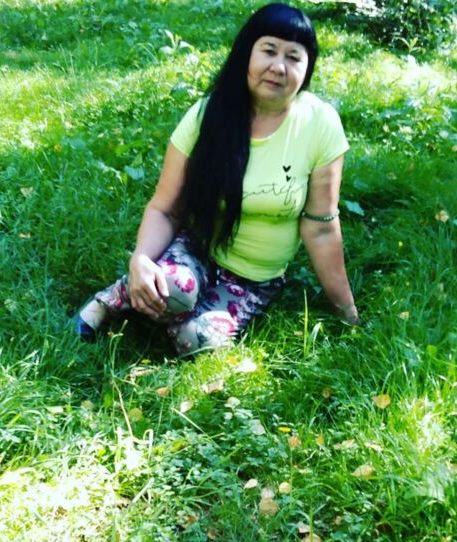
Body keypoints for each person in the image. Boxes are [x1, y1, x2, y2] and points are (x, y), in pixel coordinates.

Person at [75, 2, 359, 356]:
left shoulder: (320, 124)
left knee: (200, 342)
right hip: (199, 248)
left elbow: (321, 227)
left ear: (307, 69)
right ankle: (109, 301)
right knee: (173, 287)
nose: (278, 67)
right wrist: (141, 260)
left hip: (256, 278)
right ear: (246, 54)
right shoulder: (206, 117)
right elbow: (165, 209)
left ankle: (171, 312)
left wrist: (347, 311)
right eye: (269, 50)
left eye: (293, 57)